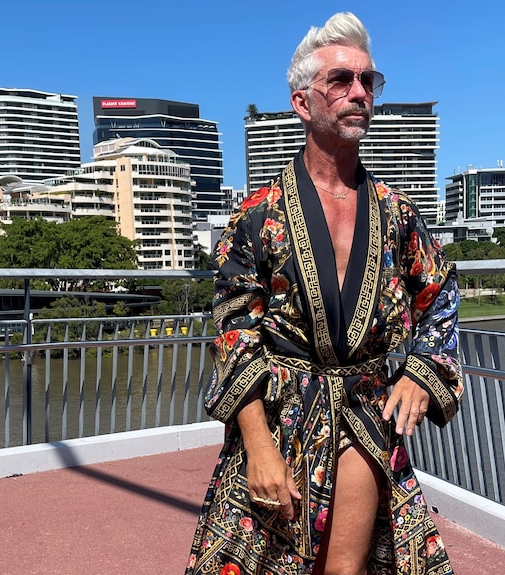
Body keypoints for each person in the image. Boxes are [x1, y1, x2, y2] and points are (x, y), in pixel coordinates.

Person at [185, 11, 463, 575]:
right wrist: (257, 446)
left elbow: (441, 296)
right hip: (279, 414)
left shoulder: (398, 214)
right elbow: (235, 330)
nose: (359, 93)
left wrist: (420, 372)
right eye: (341, 80)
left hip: (364, 409)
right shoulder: (257, 217)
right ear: (302, 102)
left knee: (345, 569)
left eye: (368, 81)